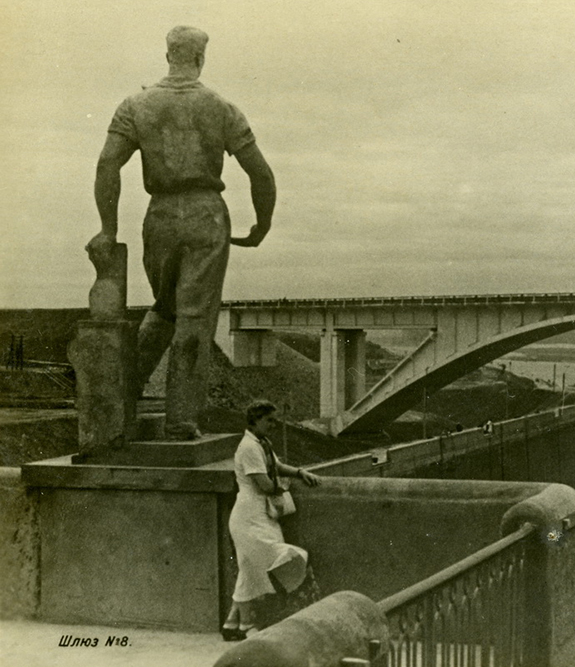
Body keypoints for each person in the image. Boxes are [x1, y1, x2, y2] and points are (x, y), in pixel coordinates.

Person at [88, 26, 276, 440]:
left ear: (167, 55)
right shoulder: (221, 107)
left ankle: (122, 397)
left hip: (160, 217)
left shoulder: (135, 105)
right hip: (207, 215)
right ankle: (181, 421)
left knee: (166, 306)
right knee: (193, 316)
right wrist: (261, 225)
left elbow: (107, 166)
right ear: (200, 58)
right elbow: (261, 174)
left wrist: (108, 228)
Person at [223, 400, 320, 640]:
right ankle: (246, 625)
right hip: (248, 516)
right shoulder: (248, 447)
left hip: (262, 515)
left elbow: (275, 466)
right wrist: (285, 484)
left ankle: (233, 624)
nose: (274, 425)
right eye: (270, 420)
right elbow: (265, 485)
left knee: (249, 569)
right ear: (255, 420)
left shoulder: (262, 443)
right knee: (269, 560)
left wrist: (299, 472)